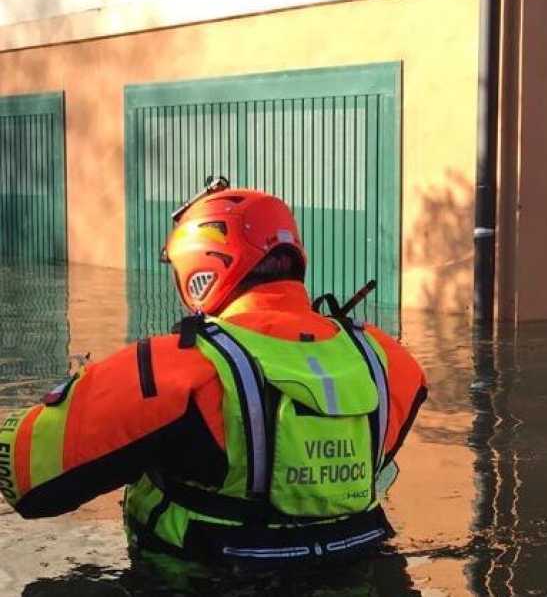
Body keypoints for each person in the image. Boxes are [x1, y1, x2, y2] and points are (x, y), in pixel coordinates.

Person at [0, 178, 427, 567]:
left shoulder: (176, 367)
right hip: (361, 569)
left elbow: (25, 480)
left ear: (199, 269)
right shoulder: (388, 360)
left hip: (196, 577)